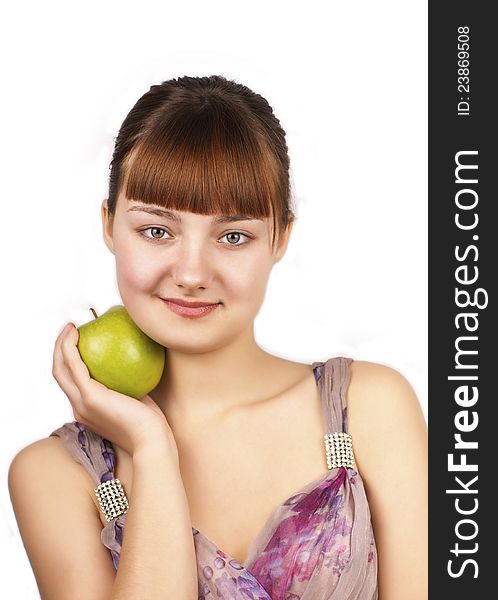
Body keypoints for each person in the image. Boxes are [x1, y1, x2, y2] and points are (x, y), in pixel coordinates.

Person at [8, 74, 427, 599]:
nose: (191, 272)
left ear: (281, 238)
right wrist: (151, 445)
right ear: (108, 224)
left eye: (233, 236)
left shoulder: (368, 409)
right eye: (157, 230)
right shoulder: (54, 477)